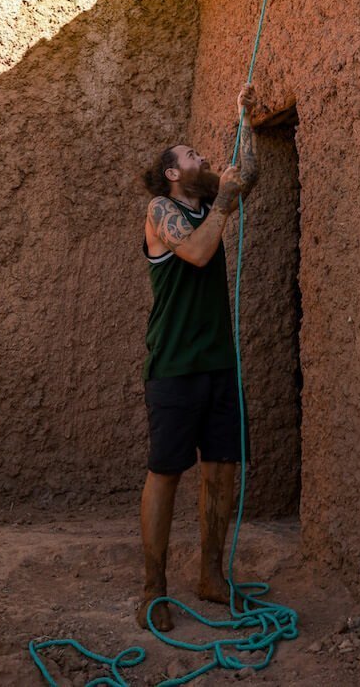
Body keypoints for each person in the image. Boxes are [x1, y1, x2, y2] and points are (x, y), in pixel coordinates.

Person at [137, 82, 260, 632]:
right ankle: (152, 588)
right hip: (173, 367)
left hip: (218, 366)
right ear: (170, 171)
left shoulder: (209, 199)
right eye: (191, 155)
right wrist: (225, 199)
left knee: (223, 469)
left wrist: (247, 121)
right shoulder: (161, 211)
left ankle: (212, 575)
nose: (202, 158)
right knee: (165, 473)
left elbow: (245, 177)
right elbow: (199, 249)